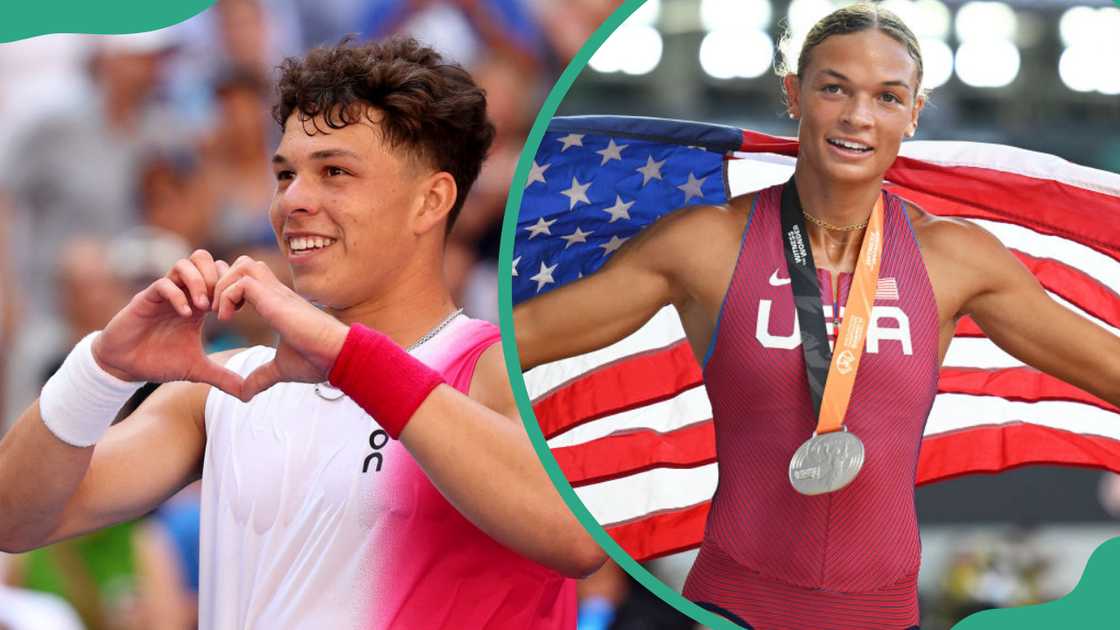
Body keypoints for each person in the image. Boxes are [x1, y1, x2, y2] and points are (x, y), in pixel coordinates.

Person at [513, 4, 1120, 629]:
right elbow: (514, 346)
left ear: (913, 114)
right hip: (735, 608)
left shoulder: (954, 258)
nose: (859, 116)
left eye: (888, 97)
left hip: (885, 616)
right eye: (835, 88)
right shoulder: (704, 244)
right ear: (794, 93)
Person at [0, 37, 604, 628]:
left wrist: (346, 356)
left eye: (335, 171)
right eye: (285, 174)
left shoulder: (509, 368)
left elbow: (580, 537)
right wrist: (101, 369)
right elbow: (15, 519)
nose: (293, 201)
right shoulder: (224, 386)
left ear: (430, 201)